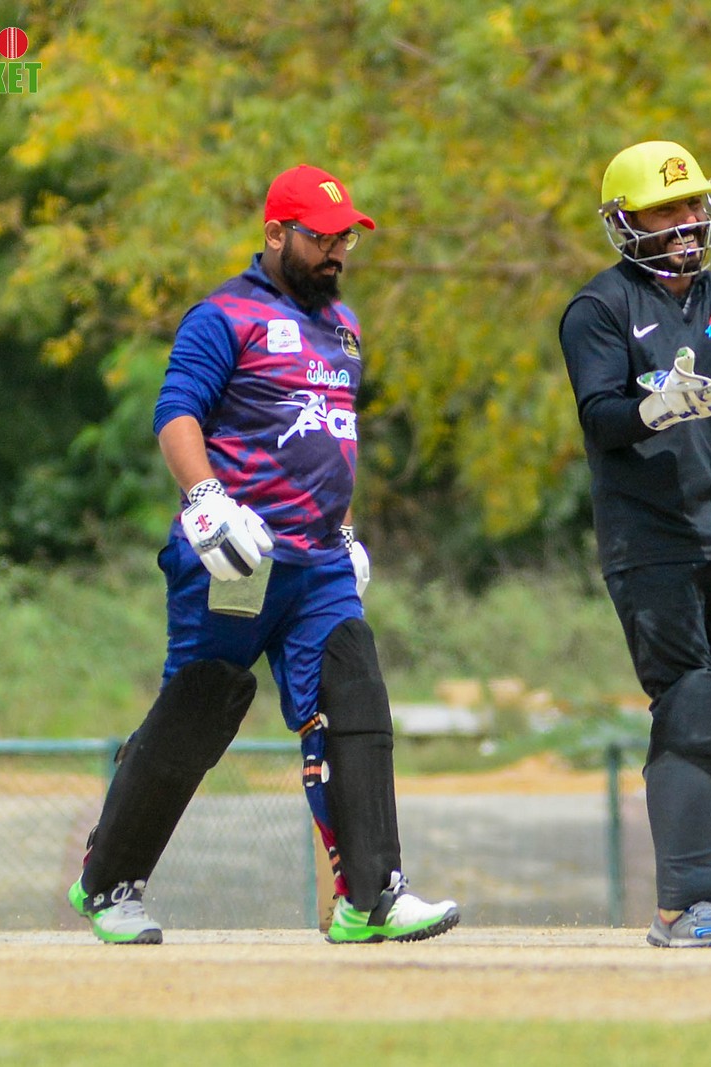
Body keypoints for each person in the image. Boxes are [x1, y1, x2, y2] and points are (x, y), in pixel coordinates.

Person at [68, 164, 460, 945]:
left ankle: (371, 897)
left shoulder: (344, 326)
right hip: (236, 556)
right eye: (322, 237)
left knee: (355, 694)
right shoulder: (223, 315)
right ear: (276, 234)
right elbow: (177, 413)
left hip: (317, 563)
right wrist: (206, 500)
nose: (336, 251)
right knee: (198, 707)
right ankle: (107, 883)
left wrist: (344, 531)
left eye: (345, 238)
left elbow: (331, 439)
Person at [558, 141, 711, 948]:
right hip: (650, 542)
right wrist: (656, 408)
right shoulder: (598, 307)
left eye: (694, 204)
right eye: (667, 208)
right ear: (626, 221)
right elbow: (601, 418)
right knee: (692, 700)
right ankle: (681, 904)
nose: (687, 220)